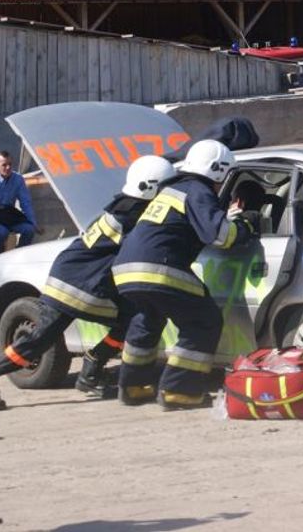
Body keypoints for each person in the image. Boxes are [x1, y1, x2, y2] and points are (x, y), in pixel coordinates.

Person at [0, 155, 176, 412]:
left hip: (86, 278)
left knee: (131, 319)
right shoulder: (131, 216)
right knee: (40, 339)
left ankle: (91, 373)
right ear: (152, 187)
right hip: (76, 282)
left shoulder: (126, 205)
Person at [112, 140, 257, 410]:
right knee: (203, 320)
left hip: (125, 268)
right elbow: (222, 237)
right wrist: (246, 223)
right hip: (160, 268)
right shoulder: (198, 191)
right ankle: (179, 390)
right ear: (218, 171)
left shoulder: (173, 190)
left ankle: (133, 386)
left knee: (147, 319)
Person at [0, 150, 40, 259]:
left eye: (10, 164)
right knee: (2, 232)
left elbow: (26, 202)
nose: (7, 168)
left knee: (29, 229)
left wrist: (33, 222)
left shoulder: (18, 179)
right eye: (4, 165)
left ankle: (17, 257)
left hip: (9, 214)